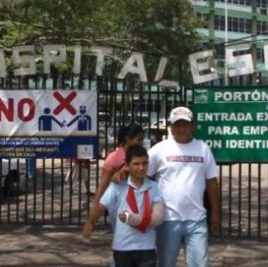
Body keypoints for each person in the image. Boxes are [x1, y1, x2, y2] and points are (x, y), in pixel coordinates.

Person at [147, 106, 220, 267]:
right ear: (171, 127)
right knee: (166, 264)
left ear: (193, 126)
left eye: (185, 124)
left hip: (197, 219)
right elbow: (141, 173)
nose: (181, 128)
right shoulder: (159, 149)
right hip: (167, 219)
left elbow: (212, 182)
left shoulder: (203, 149)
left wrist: (215, 213)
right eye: (177, 125)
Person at [83, 145, 164, 267]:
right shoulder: (118, 186)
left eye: (144, 163)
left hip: (146, 246)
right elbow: (101, 205)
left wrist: (132, 218)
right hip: (123, 246)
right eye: (136, 164)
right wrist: (90, 222)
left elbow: (158, 217)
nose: (141, 168)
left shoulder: (154, 187)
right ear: (127, 165)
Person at [93, 124, 146, 230]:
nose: (141, 143)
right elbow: (103, 186)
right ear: (128, 139)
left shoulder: (143, 156)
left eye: (142, 140)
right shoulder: (114, 158)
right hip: (119, 207)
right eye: (138, 140)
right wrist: (93, 215)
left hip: (140, 205)